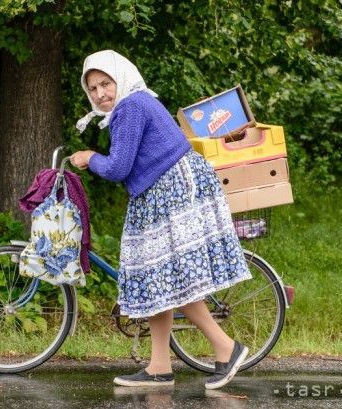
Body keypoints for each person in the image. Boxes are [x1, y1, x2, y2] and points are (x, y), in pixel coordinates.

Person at [70, 50, 253, 390]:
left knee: (171, 277)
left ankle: (227, 347)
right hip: (159, 190)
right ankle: (158, 366)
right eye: (92, 88)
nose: (99, 94)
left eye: (105, 84)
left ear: (120, 78)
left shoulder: (132, 107)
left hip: (174, 189)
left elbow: (118, 167)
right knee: (157, 277)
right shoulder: (132, 105)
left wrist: (90, 157)